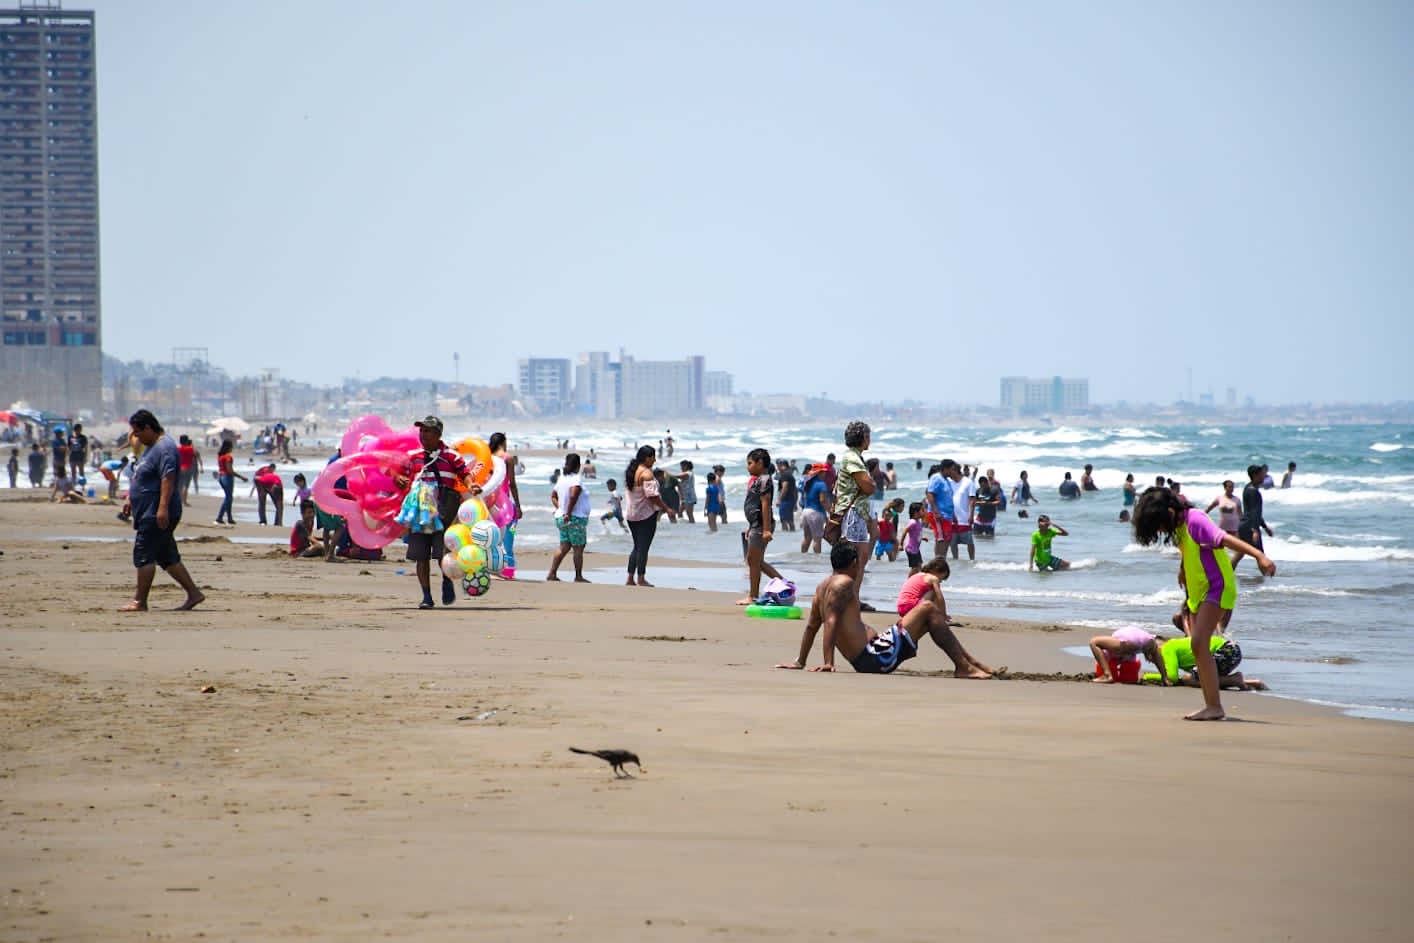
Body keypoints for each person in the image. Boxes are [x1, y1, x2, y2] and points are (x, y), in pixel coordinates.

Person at [1133, 485, 1276, 720]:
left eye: (1158, 524)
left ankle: (1214, 707)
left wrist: (1259, 556)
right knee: (1199, 647)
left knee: (1199, 643)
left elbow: (1225, 539)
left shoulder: (1195, 520)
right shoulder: (1179, 525)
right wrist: (1182, 569)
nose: (1159, 529)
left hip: (1216, 586)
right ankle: (1213, 705)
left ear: (1169, 512)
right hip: (1201, 590)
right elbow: (1190, 547)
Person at [773, 542, 991, 677]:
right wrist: (828, 662)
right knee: (928, 608)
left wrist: (800, 661)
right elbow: (831, 621)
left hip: (875, 653)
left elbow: (812, 626)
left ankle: (969, 663)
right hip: (876, 658)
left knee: (928, 615)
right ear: (854, 562)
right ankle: (965, 666)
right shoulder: (844, 584)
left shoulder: (822, 587)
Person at [118, 409, 205, 612]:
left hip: (156, 511)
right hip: (148, 509)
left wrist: (162, 508)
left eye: (138, 432)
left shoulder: (165, 447)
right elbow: (143, 474)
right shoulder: (152, 447)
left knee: (144, 552)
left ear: (149, 428)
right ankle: (194, 594)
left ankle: (140, 601)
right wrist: (131, 497)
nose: (137, 437)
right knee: (166, 555)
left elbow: (168, 478)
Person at [395, 415, 472, 609]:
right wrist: (398, 479)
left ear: (438, 434)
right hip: (419, 515)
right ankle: (427, 596)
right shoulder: (413, 457)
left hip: (443, 512)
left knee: (442, 554)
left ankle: (447, 581)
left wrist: (472, 485)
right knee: (421, 556)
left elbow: (465, 474)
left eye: (427, 431)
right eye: (421, 430)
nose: (423, 434)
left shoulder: (451, 456)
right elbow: (399, 475)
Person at [835, 422, 879, 607]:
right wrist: (871, 484)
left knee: (860, 557)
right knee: (850, 558)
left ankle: (852, 598)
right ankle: (841, 597)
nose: (869, 440)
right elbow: (868, 487)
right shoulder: (852, 458)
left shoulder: (856, 457)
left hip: (858, 511)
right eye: (868, 436)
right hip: (852, 512)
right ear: (863, 438)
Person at [737, 448, 784, 605]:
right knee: (756, 561)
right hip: (756, 525)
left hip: (762, 526)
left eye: (750, 463)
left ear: (760, 463)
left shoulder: (765, 480)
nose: (748, 466)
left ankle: (753, 596)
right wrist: (751, 526)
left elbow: (765, 504)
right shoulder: (759, 480)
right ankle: (784, 583)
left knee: (753, 561)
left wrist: (766, 530)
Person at [624, 445, 673, 587]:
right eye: (653, 457)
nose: (654, 460)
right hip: (645, 514)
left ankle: (630, 578)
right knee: (643, 548)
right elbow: (652, 496)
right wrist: (666, 508)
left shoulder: (632, 471)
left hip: (631, 514)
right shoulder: (647, 474)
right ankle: (641, 578)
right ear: (647, 458)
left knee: (637, 546)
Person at [1149, 634, 1268, 691]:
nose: (1153, 661)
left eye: (1153, 658)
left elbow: (1172, 677)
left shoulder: (1167, 648)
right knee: (1201, 677)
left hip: (1225, 651)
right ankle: (1252, 683)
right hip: (1233, 650)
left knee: (1188, 679)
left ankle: (1235, 680)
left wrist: (1148, 676)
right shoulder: (1174, 644)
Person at [547, 452, 592, 582]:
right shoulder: (576, 479)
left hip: (562, 518)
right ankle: (578, 576)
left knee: (564, 546)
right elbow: (573, 495)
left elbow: (553, 496)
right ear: (578, 465)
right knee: (578, 547)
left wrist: (560, 509)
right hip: (575, 518)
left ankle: (552, 573)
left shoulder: (562, 478)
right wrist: (568, 512)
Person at [487, 432, 522, 579]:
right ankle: (508, 570)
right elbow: (512, 483)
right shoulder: (508, 458)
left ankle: (491, 568)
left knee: (492, 537)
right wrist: (518, 506)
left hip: (489, 503)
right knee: (509, 536)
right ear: (503, 442)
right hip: (505, 506)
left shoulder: (488, 458)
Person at [1234, 464, 1274, 570]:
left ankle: (1224, 574)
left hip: (1246, 525)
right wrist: (1255, 530)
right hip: (1249, 527)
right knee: (1260, 555)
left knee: (1240, 553)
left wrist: (1265, 527)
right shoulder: (1253, 491)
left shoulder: (1248, 487)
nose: (1264, 476)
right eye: (1262, 474)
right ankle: (1267, 577)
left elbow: (1254, 512)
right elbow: (1254, 513)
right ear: (1255, 475)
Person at [1089, 626, 1161, 683]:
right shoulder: (1150, 640)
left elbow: (1156, 655)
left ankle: (1107, 675)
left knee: (1094, 643)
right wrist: (1164, 677)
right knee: (1128, 676)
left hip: (1126, 642)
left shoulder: (1148, 639)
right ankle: (1115, 676)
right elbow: (1156, 655)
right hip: (1128, 643)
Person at [896, 556, 952, 620]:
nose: (940, 581)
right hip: (910, 607)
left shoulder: (917, 575)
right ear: (934, 570)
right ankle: (938, 615)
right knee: (934, 592)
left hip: (901, 608)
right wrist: (944, 614)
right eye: (941, 578)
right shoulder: (933, 578)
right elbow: (940, 598)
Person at [798, 463, 831, 554]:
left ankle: (802, 557)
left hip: (805, 511)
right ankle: (817, 559)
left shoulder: (808, 483)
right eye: (823, 472)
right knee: (817, 539)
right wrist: (831, 511)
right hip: (815, 513)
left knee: (807, 537)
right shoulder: (821, 484)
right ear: (819, 473)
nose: (825, 474)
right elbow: (823, 500)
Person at [948, 461, 977, 561]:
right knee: (953, 543)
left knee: (969, 542)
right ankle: (955, 560)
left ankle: (972, 560)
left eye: (950, 471)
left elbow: (972, 499)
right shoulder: (949, 483)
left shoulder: (968, 482)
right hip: (952, 518)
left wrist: (971, 515)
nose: (948, 473)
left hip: (965, 518)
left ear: (955, 470)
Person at [924, 461, 955, 553]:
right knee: (941, 539)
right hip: (939, 514)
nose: (953, 472)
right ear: (945, 469)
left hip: (947, 515)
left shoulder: (947, 481)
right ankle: (939, 559)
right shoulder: (936, 478)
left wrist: (954, 515)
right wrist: (936, 512)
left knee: (947, 538)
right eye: (951, 469)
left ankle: (942, 558)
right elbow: (930, 494)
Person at [213, 441, 245, 525]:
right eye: (232, 446)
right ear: (229, 447)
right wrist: (241, 477)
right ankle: (220, 517)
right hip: (227, 477)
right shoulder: (228, 457)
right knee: (228, 498)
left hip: (221, 477)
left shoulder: (220, 456)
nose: (232, 448)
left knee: (228, 498)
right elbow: (229, 470)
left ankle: (229, 518)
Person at [900, 501, 927, 573]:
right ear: (916, 512)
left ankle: (916, 579)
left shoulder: (918, 522)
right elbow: (904, 532)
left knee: (919, 566)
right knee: (915, 568)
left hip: (916, 549)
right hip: (911, 549)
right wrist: (900, 544)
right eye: (922, 510)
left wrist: (922, 538)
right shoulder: (913, 522)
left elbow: (915, 534)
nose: (924, 511)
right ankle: (909, 579)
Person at [774, 459, 797, 532]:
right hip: (791, 500)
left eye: (779, 466)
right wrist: (795, 503)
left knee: (784, 521)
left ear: (784, 466)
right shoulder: (790, 475)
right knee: (790, 520)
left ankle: (786, 536)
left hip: (785, 501)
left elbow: (785, 487)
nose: (777, 468)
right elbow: (795, 490)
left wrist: (779, 500)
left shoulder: (784, 475)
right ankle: (791, 536)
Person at [177, 435, 199, 504]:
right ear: (187, 441)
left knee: (179, 486)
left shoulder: (177, 449)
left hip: (179, 468)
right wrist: (192, 445)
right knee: (186, 486)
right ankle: (184, 501)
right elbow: (196, 454)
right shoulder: (190, 449)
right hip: (188, 468)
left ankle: (179, 500)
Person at [675, 460, 698, 524]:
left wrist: (668, 474)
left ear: (686, 466)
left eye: (682, 466)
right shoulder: (687, 473)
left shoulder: (688, 473)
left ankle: (692, 526)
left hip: (689, 496)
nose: (681, 468)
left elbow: (678, 476)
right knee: (679, 512)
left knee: (689, 513)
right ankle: (682, 524)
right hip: (685, 497)